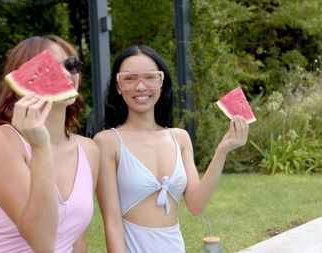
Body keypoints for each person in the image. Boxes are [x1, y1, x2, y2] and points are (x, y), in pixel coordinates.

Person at [94, 45, 249, 252]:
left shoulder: (180, 138)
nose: (140, 86)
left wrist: (222, 150)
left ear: (161, 82)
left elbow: (196, 205)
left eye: (150, 77)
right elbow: (112, 223)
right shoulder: (107, 142)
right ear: (118, 86)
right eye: (129, 79)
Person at [0, 35, 99, 253]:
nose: (66, 74)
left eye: (71, 65)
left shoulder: (89, 150)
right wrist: (40, 148)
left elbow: (78, 241)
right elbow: (42, 241)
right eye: (48, 67)